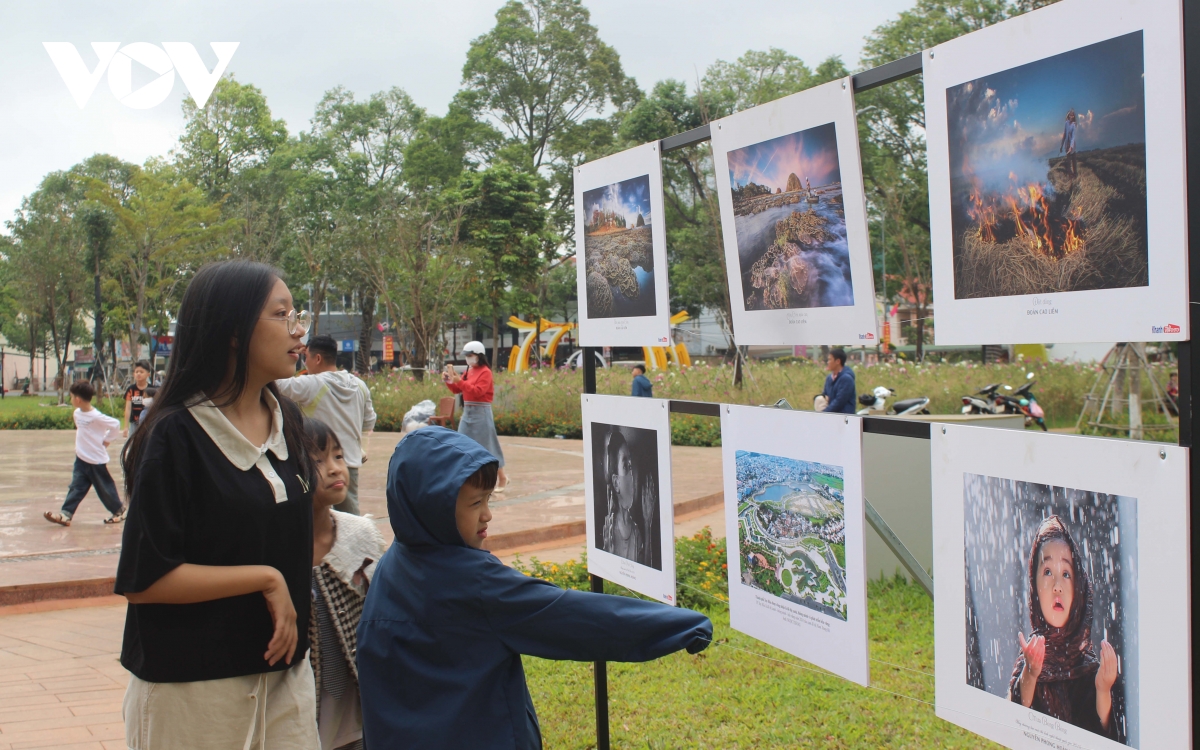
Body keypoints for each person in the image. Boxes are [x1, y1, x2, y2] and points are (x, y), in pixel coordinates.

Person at [358, 428, 712, 749]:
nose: (487, 516)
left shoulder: (393, 564)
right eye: (474, 504)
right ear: (431, 508)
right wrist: (680, 625)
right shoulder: (476, 582)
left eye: (488, 500)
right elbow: (575, 618)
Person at [114, 260, 319, 749]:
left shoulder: (285, 418)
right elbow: (146, 579)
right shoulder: (175, 436)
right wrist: (266, 579)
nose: (299, 332)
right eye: (282, 315)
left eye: (298, 316)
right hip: (194, 693)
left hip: (285, 686)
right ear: (232, 331)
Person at [307, 418, 387, 750]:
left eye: (338, 456)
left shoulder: (362, 534)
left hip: (358, 717)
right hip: (302, 719)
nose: (334, 469)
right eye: (317, 460)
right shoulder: (273, 547)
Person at [1007, 516, 1118, 740]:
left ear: (1078, 588)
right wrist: (1030, 672)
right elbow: (1012, 713)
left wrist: (1104, 689)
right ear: (1034, 586)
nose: (1057, 586)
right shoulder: (1031, 658)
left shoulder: (1088, 669)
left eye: (1066, 574)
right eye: (1047, 572)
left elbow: (1104, 733)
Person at [276, 334, 377, 515]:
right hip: (350, 463)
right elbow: (369, 420)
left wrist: (288, 352)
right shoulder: (360, 385)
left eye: (305, 357)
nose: (305, 363)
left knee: (316, 514)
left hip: (316, 463)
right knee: (350, 516)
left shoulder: (311, 384)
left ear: (318, 358)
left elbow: (274, 384)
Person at [43, 380, 125, 527]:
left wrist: (106, 441)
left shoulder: (96, 416)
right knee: (76, 487)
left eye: (71, 396)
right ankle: (66, 514)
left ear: (78, 399)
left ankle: (119, 510)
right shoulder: (77, 414)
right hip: (81, 458)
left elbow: (115, 424)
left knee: (104, 487)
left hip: (95, 460)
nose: (71, 399)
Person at [442, 341, 508, 491]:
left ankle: (502, 477)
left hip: (481, 412)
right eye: (466, 356)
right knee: (460, 444)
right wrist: (449, 381)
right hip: (468, 412)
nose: (468, 358)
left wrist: (460, 381)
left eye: (470, 355)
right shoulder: (469, 370)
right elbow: (457, 389)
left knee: (488, 446)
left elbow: (478, 391)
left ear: (479, 355)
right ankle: (464, 477)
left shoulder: (486, 372)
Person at [599, 430, 658, 568]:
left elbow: (645, 571)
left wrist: (647, 522)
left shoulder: (636, 531)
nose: (631, 476)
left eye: (631, 467)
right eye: (626, 466)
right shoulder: (609, 529)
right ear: (616, 482)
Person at [819, 348, 856, 414]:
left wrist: (824, 413)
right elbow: (825, 395)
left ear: (838, 361)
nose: (827, 362)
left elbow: (839, 402)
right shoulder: (829, 378)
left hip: (844, 418)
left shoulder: (846, 379)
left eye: (830, 360)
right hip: (832, 416)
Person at [123, 360, 152, 438]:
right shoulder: (130, 390)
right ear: (133, 374)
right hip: (134, 423)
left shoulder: (152, 389)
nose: (138, 374)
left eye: (141, 372)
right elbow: (128, 408)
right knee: (133, 444)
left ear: (148, 374)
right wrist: (126, 427)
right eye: (136, 372)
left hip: (148, 423)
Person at [1060, 108, 1078, 179]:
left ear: (1074, 116)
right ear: (1068, 116)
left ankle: (1075, 175)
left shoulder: (1074, 125)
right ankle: (1071, 176)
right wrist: (1061, 145)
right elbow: (1064, 134)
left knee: (1074, 160)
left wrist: (1071, 147)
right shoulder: (1066, 123)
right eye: (1070, 115)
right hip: (1067, 145)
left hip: (1072, 145)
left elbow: (1073, 137)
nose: (1071, 116)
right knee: (1068, 161)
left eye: (1073, 115)